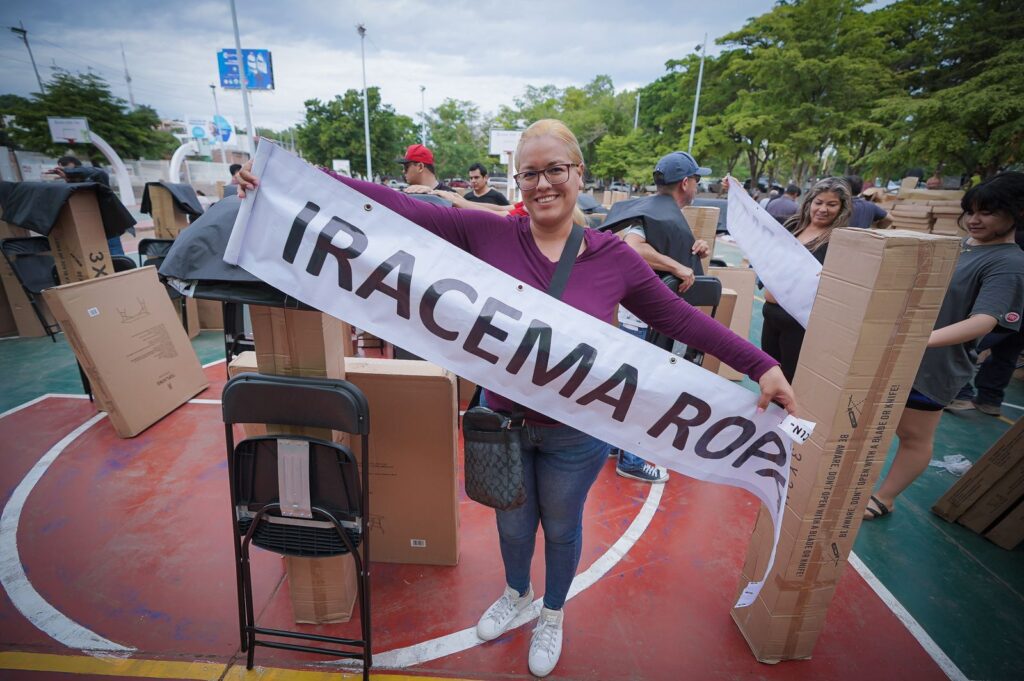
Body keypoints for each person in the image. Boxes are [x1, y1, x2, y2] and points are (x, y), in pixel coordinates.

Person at [237, 119, 797, 678]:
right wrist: (289, 178)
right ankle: (516, 592)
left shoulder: (614, 259)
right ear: (518, 180)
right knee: (510, 524)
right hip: (500, 424)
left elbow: (678, 318)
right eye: (529, 173)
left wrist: (762, 365)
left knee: (561, 527)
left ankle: (551, 612)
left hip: (575, 435)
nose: (542, 183)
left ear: (579, 174)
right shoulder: (488, 236)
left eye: (555, 169)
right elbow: (395, 206)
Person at [866, 172, 1024, 520]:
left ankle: (885, 498)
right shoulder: (961, 247)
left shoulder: (1010, 263)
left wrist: (918, 341)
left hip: (936, 364)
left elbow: (984, 321)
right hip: (902, 353)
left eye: (988, 212)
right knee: (876, 424)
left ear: (1016, 214)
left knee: (914, 435)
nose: (974, 219)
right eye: (971, 211)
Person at [597, 151, 714, 483]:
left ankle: (613, 444)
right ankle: (632, 459)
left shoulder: (656, 211)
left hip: (634, 317)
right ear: (686, 182)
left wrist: (694, 250)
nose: (697, 186)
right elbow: (633, 247)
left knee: (628, 386)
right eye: (697, 180)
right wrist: (676, 265)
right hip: (639, 321)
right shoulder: (654, 214)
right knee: (642, 390)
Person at [760, 177, 853, 382]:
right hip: (771, 314)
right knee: (767, 374)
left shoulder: (838, 239)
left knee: (790, 380)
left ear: (842, 208)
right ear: (809, 202)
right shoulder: (794, 226)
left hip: (797, 323)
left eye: (832, 204)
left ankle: (787, 415)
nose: (823, 209)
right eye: (818, 202)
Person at [49, 155, 125, 256]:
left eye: (69, 169)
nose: (67, 173)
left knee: (115, 255)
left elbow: (99, 172)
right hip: (90, 226)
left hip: (107, 223)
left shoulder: (95, 176)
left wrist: (70, 172)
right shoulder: (71, 186)